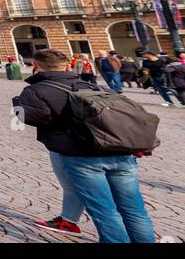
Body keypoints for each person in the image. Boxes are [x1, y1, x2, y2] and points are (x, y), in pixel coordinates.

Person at [12, 48, 155, 243]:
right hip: (118, 151)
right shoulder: (92, 86)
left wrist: (17, 104)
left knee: (104, 210)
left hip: (82, 157)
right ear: (68, 65)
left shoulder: (36, 90)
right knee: (134, 209)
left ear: (35, 65)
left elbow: (22, 121)